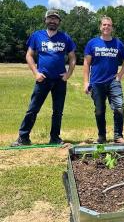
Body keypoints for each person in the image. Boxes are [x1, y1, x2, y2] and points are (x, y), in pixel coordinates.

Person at [11, 9, 76, 146]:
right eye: (50, 18)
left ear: (59, 22)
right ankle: (23, 138)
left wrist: (68, 74)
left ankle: (55, 138)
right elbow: (29, 55)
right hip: (43, 79)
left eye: (55, 19)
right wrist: (35, 73)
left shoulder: (65, 38)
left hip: (59, 80)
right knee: (33, 109)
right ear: (45, 20)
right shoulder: (37, 36)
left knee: (58, 111)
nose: (52, 21)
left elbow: (72, 58)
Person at [83, 16, 124, 144]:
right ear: (100, 27)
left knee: (119, 108)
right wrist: (86, 82)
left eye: (109, 25)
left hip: (113, 81)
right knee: (99, 111)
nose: (106, 27)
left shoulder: (118, 43)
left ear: (112, 27)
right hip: (96, 82)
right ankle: (102, 137)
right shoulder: (92, 43)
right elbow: (86, 63)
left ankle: (118, 136)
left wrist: (119, 75)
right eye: (104, 25)